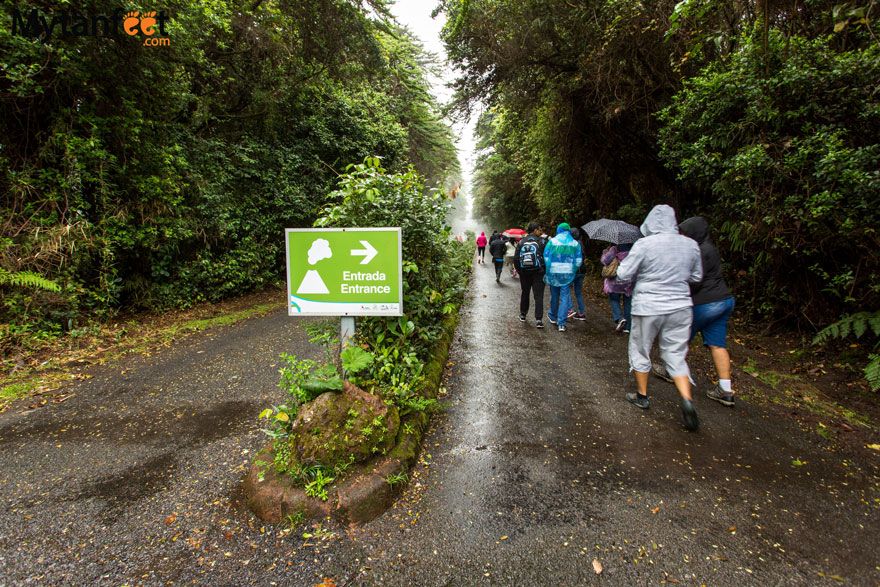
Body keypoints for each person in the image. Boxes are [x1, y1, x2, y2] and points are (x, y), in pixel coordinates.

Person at [616, 204, 703, 431]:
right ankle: (686, 399)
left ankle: (642, 396)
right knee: (675, 353)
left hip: (648, 305)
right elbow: (696, 276)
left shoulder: (644, 244)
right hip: (680, 306)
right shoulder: (691, 245)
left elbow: (623, 273)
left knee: (641, 349)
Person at [679, 216, 736, 407]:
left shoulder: (700, 251)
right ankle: (725, 389)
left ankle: (672, 369)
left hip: (705, 303)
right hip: (723, 300)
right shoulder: (709, 247)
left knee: (678, 336)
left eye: (686, 232)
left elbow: (696, 280)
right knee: (717, 345)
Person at [543, 222, 583, 332]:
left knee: (555, 295)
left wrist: (549, 269)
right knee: (565, 297)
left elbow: (546, 257)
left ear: (559, 230)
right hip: (567, 273)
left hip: (554, 272)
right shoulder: (575, 243)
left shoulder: (552, 241)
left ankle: (553, 316)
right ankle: (562, 323)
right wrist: (572, 270)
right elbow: (579, 260)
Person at [515, 222, 546, 328]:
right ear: (535, 230)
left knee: (525, 293)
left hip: (525, 273)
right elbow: (546, 257)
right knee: (538, 296)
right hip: (538, 273)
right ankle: (538, 320)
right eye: (539, 229)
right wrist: (543, 270)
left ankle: (523, 315)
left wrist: (520, 271)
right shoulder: (542, 241)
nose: (541, 231)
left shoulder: (521, 242)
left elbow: (516, 259)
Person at [601, 242, 633, 333]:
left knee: (614, 299)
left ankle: (619, 318)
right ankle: (627, 327)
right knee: (628, 303)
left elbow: (605, 261)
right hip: (629, 281)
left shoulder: (614, 249)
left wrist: (605, 252)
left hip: (616, 280)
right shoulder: (634, 250)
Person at [566, 227, 587, 321]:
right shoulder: (581, 243)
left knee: (566, 289)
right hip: (582, 270)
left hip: (573, 270)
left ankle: (570, 309)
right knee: (578, 292)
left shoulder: (573, 244)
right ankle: (581, 313)